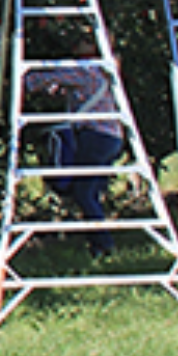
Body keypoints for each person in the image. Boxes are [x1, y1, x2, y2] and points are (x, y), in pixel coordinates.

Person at [23, 34, 123, 256]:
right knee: (91, 192)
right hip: (112, 137)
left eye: (83, 39)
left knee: (83, 192)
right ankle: (97, 244)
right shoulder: (103, 69)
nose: (76, 43)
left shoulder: (85, 68)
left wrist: (22, 78)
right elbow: (64, 85)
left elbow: (45, 78)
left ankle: (104, 244)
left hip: (94, 136)